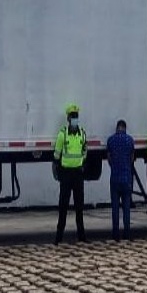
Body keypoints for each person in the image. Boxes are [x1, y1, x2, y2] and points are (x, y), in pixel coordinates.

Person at [53, 103, 87, 244]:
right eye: (72, 116)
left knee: (79, 206)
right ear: (68, 118)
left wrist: (81, 163)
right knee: (63, 206)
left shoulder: (82, 134)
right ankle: (59, 237)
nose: (75, 119)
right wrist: (59, 171)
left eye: (76, 116)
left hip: (78, 174)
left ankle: (82, 236)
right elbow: (56, 155)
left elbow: (85, 152)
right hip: (66, 175)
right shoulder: (62, 134)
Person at [106, 119, 135, 241]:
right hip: (127, 178)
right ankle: (127, 234)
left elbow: (109, 158)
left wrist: (113, 165)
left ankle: (115, 234)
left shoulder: (111, 140)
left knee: (115, 208)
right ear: (125, 128)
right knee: (126, 207)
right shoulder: (130, 140)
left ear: (117, 128)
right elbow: (132, 158)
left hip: (115, 178)